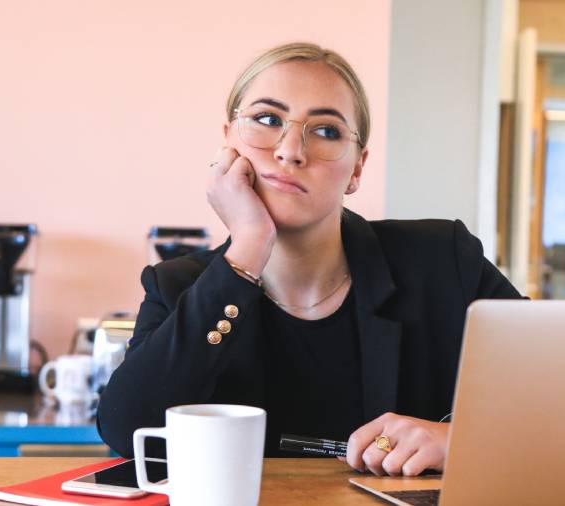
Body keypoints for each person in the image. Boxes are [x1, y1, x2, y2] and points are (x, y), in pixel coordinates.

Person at [96, 42, 523, 477]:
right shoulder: (178, 286)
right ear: (228, 142)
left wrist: (460, 440)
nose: (290, 150)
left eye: (326, 131)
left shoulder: (442, 260)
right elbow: (128, 430)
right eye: (267, 120)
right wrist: (247, 248)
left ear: (357, 168)